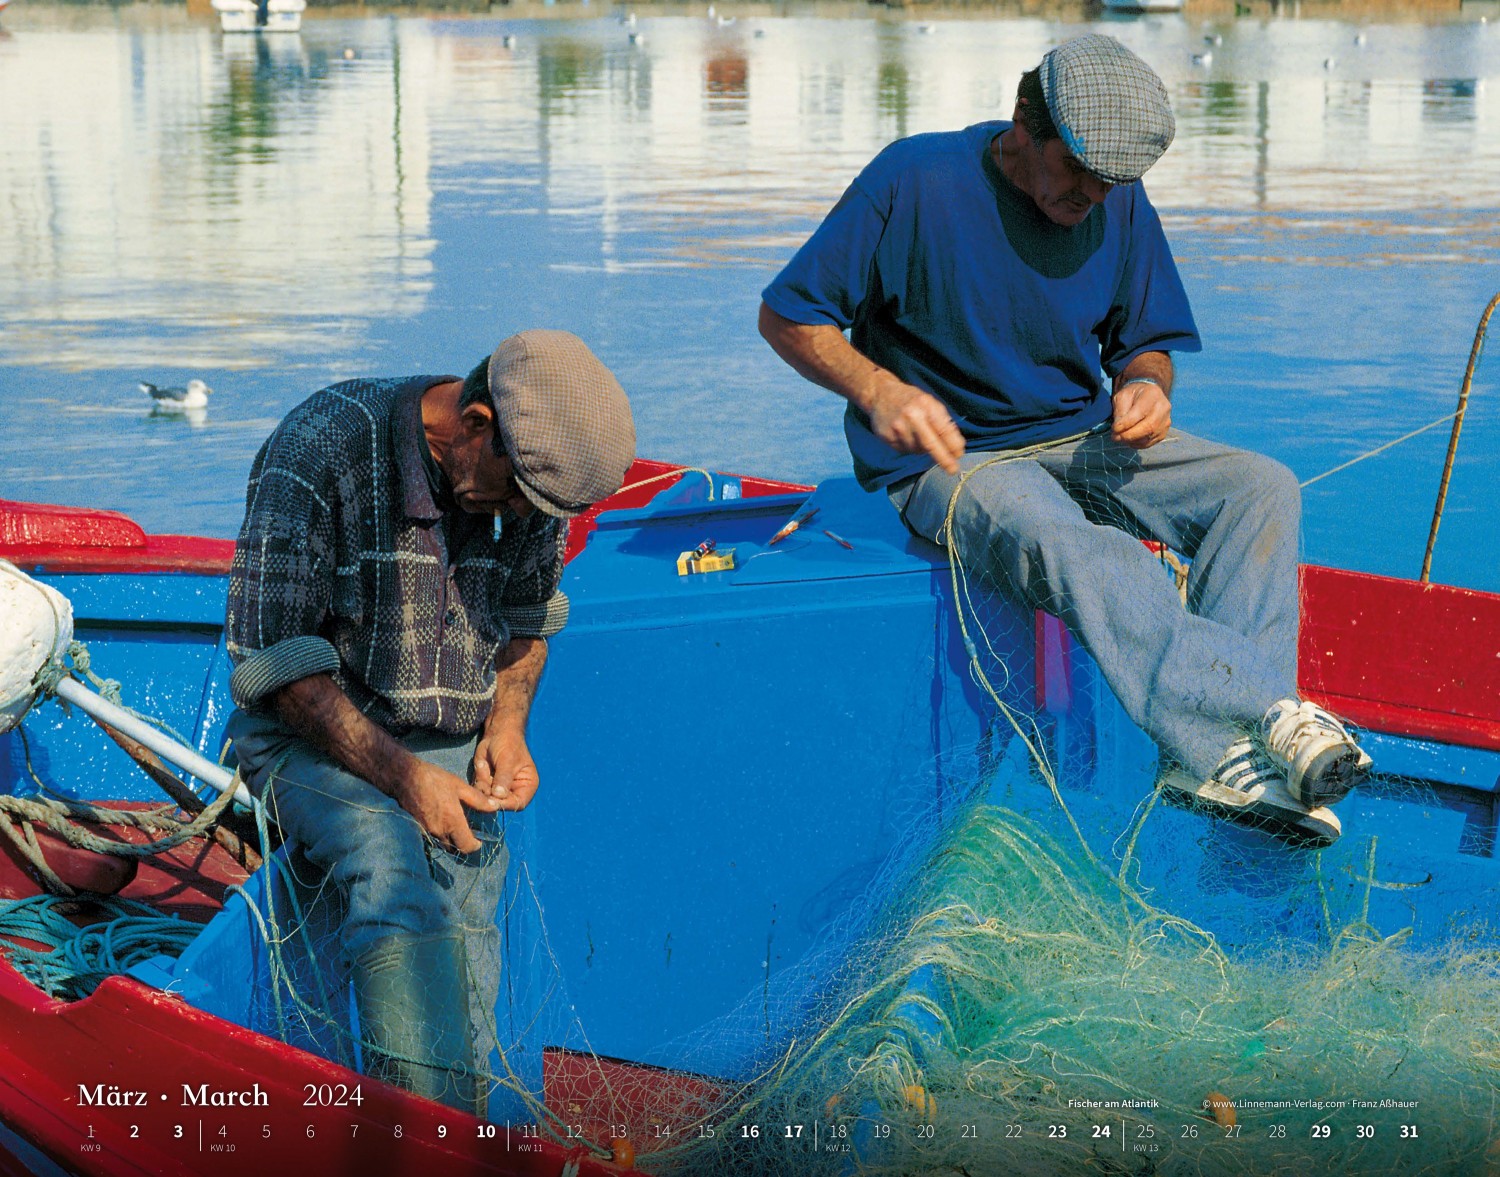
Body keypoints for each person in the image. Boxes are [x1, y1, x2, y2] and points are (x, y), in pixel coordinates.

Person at [758, 34, 1369, 842]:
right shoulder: (913, 180)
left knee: (1262, 489)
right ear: (1023, 122)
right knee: (1073, 543)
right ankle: (1260, 718)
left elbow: (1145, 340)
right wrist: (877, 388)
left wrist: (1148, 384)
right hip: (947, 456)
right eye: (1077, 170)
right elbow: (787, 313)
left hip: (1076, 434)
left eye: (1111, 181)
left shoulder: (1117, 197)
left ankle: (1212, 757)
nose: (1091, 194)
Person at [223, 330, 635, 1112]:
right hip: (301, 732)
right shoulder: (319, 448)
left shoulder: (527, 480)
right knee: (391, 866)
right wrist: (410, 782)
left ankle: (463, 1115)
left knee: (473, 869)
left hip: (439, 726)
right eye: (514, 495)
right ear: (475, 421)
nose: (520, 516)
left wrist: (505, 728)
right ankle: (417, 1142)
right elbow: (275, 669)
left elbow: (527, 615)